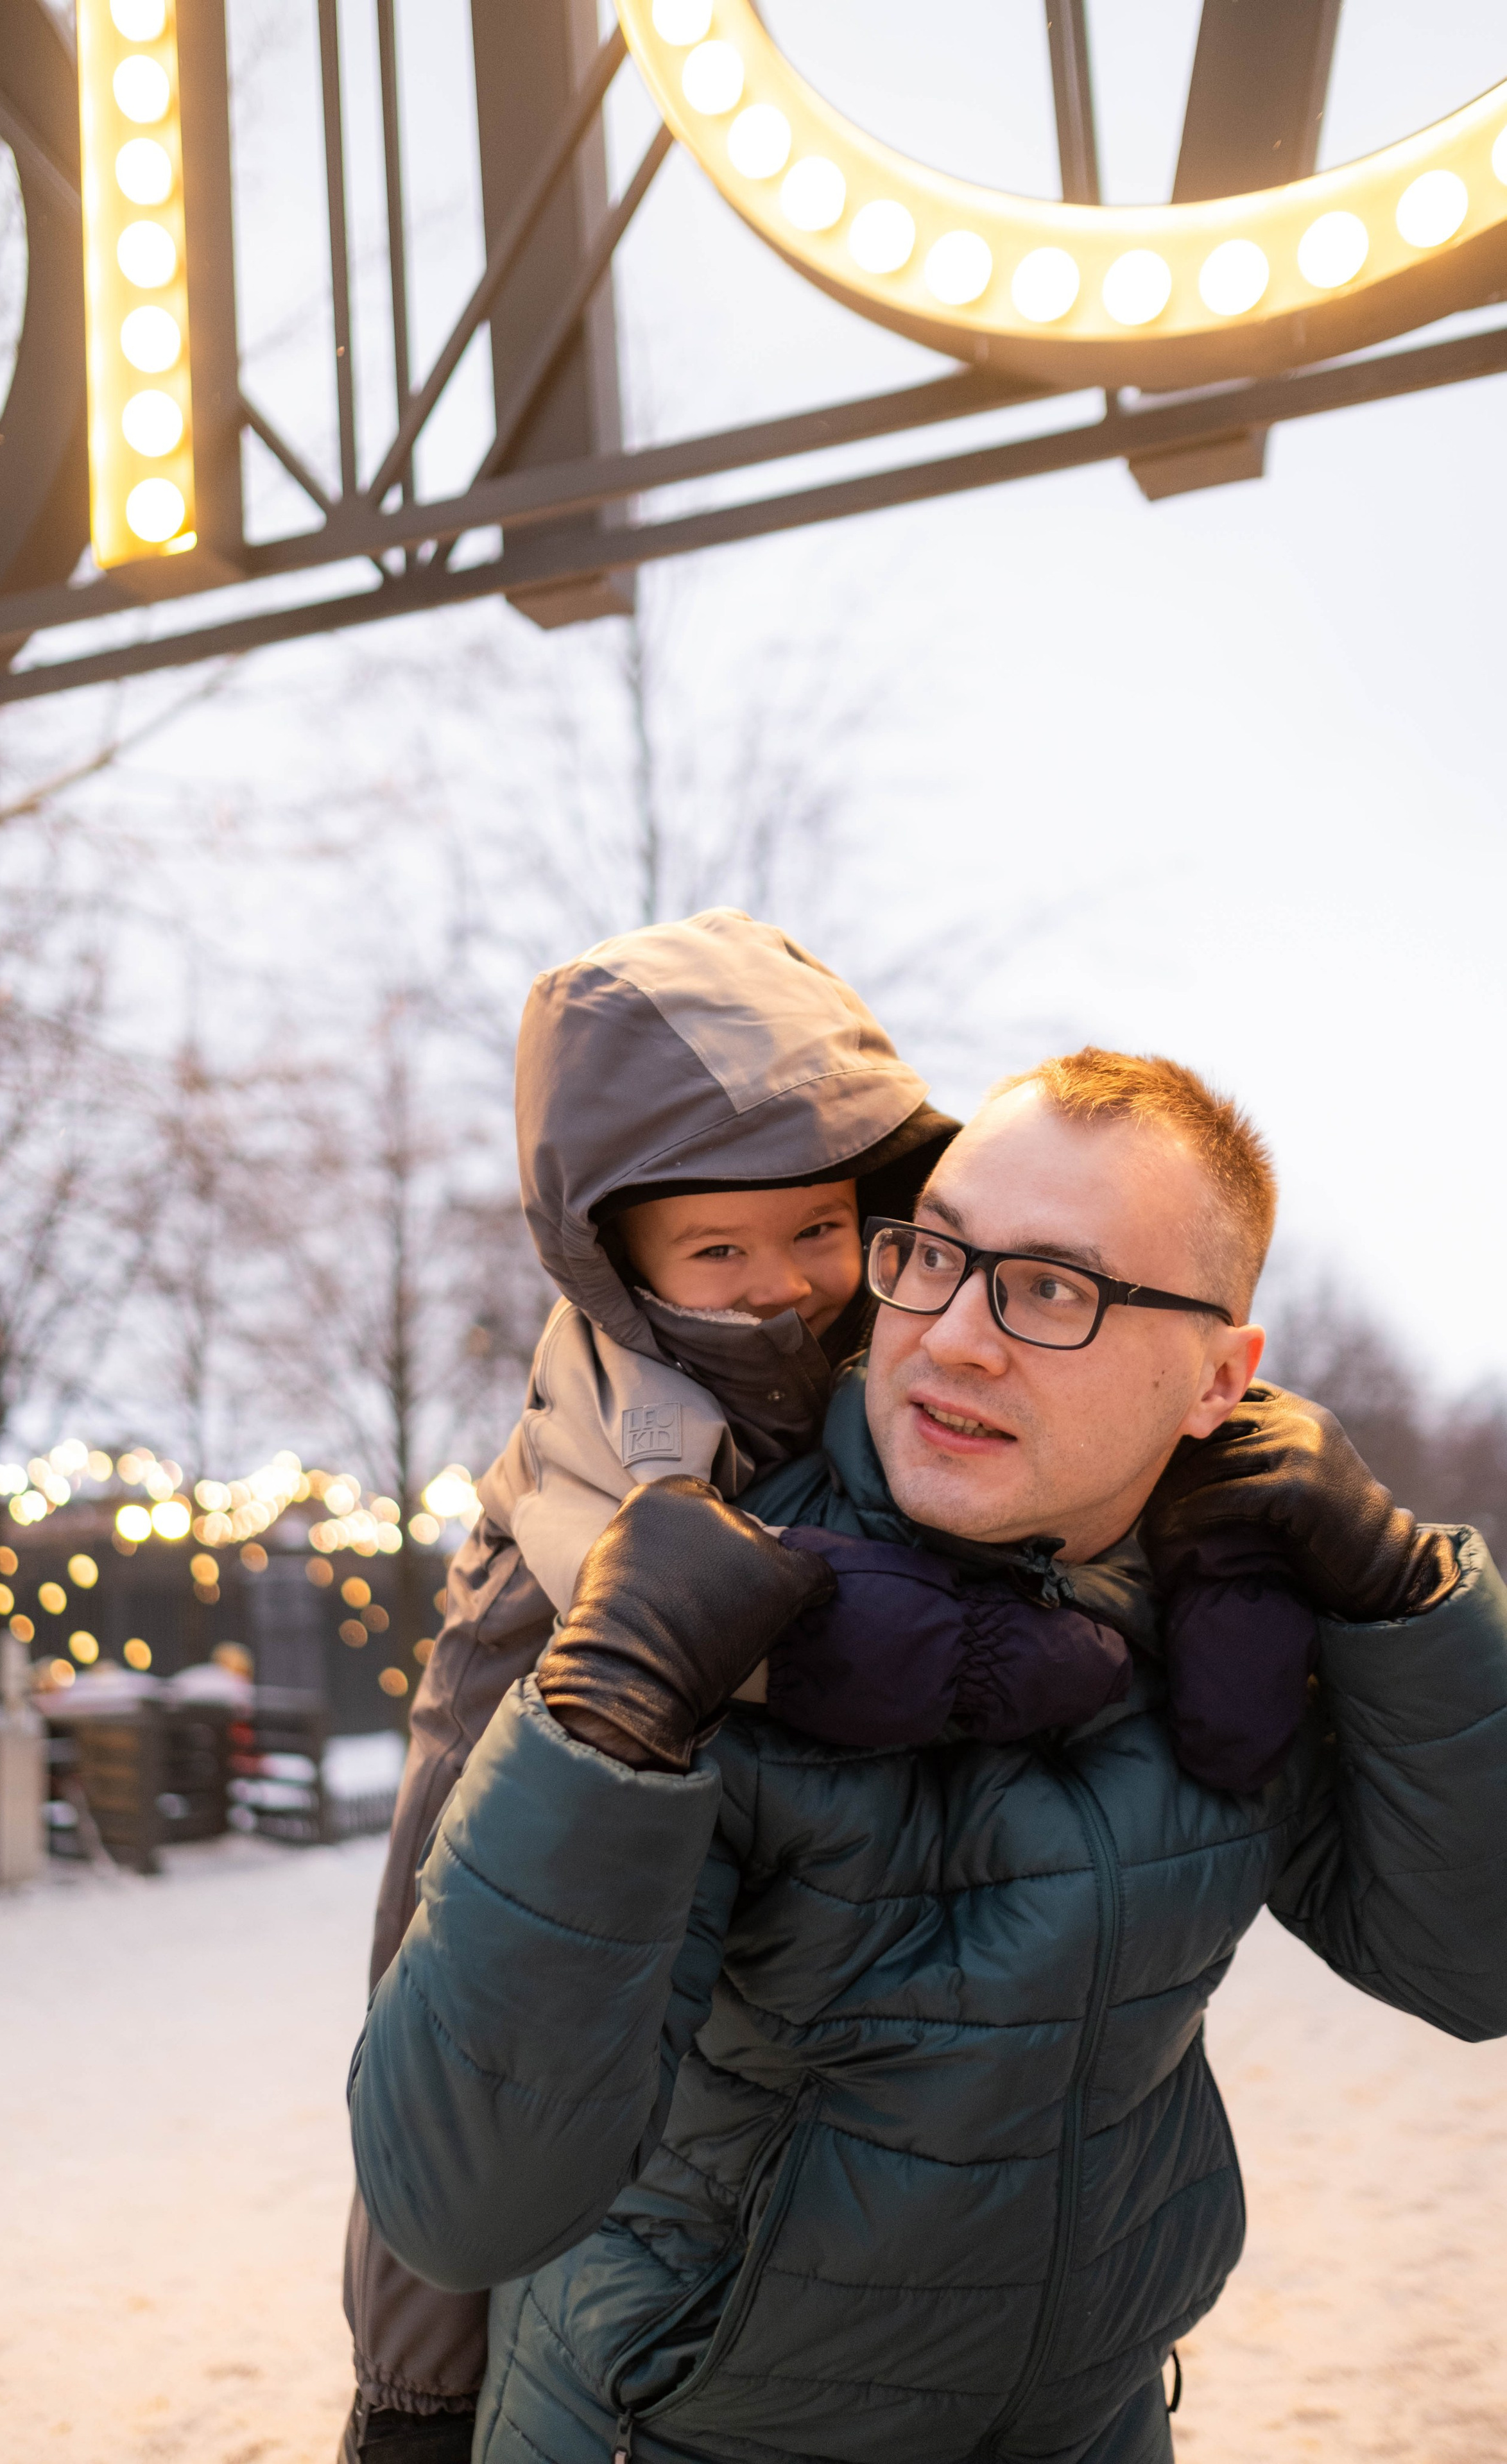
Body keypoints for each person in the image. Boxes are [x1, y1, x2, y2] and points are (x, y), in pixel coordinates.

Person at [349, 1047, 1507, 2464]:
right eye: (929, 1258)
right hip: (677, 2435)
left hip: (1089, 2425)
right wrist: (604, 1725)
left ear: (1218, 1377)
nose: (952, 1337)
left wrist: (1405, 1600)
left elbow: (1473, 1963)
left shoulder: (1232, 1621)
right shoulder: (714, 1606)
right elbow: (463, 2204)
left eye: (1050, 1290)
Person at [341, 918, 1135, 2461]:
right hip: (679, 2288)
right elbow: (435, 1960)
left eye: (818, 1228)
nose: (782, 1290)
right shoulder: (579, 1515)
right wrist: (414, 2381)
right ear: (617, 1262)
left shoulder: (937, 1366)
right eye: (716, 1250)